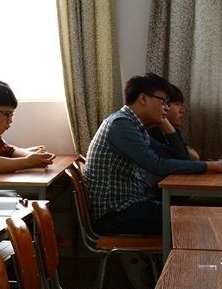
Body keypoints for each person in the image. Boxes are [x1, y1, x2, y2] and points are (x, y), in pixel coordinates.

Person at [85, 73, 222, 235]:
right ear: (143, 98)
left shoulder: (137, 127)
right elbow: (157, 165)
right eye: (163, 101)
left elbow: (180, 157)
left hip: (131, 206)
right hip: (116, 214)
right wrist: (213, 166)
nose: (167, 107)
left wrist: (163, 120)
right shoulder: (120, 125)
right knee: (201, 220)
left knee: (200, 215)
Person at [147, 83, 200, 161]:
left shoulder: (164, 131)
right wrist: (163, 119)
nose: (182, 110)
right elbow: (189, 158)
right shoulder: (152, 133)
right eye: (177, 104)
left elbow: (194, 156)